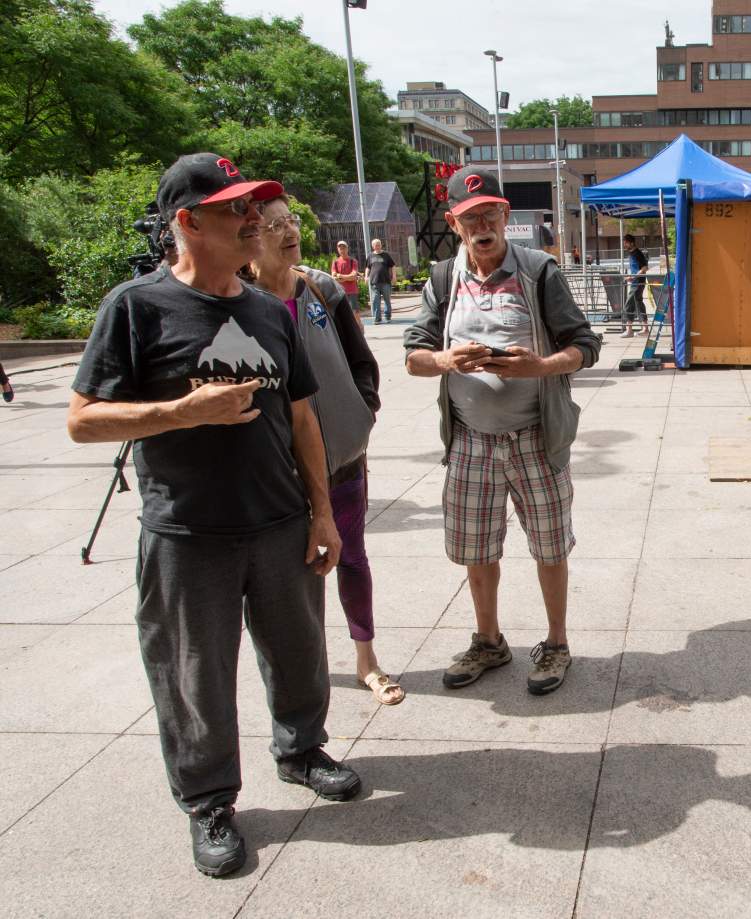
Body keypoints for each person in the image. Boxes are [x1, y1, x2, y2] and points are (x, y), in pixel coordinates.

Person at [65, 153, 361, 877]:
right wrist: (179, 411)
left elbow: (302, 418)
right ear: (187, 222)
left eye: (254, 205)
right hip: (187, 532)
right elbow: (82, 421)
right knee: (193, 674)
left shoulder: (267, 308)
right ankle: (209, 801)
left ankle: (301, 748)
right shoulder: (134, 307)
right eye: (235, 208)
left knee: (298, 650)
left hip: (280, 521)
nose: (253, 218)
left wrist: (323, 513)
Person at [404, 168, 601, 696]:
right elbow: (413, 356)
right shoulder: (443, 279)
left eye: (490, 212)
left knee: (550, 545)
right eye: (470, 217)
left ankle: (556, 644)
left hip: (537, 439)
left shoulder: (539, 271)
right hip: (470, 441)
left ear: (506, 216)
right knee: (477, 548)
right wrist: (446, 359)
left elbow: (586, 344)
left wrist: (541, 367)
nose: (482, 223)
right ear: (453, 222)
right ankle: (489, 641)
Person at [250, 196, 403, 707]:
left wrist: (362, 411)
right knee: (291, 580)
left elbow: (361, 360)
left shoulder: (322, 287)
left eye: (290, 220)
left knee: (352, 556)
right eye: (274, 225)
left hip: (342, 459)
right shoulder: (238, 301)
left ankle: (367, 662)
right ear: (250, 235)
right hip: (278, 472)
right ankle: (303, 674)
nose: (288, 231)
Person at [620, 234, 649, 338]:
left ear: (631, 243)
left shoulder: (637, 253)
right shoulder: (632, 253)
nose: (624, 244)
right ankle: (645, 329)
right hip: (636, 282)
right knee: (639, 303)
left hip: (637, 282)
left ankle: (629, 330)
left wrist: (633, 277)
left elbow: (645, 268)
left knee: (629, 304)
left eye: (626, 242)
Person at [366, 238, 396, 324]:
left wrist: (394, 276)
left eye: (378, 245)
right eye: (375, 245)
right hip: (374, 282)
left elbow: (393, 266)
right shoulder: (370, 256)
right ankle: (377, 318)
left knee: (387, 299)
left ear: (381, 245)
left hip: (385, 281)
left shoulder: (386, 255)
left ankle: (387, 316)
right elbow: (368, 267)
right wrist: (366, 276)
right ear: (373, 246)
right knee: (375, 300)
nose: (377, 246)